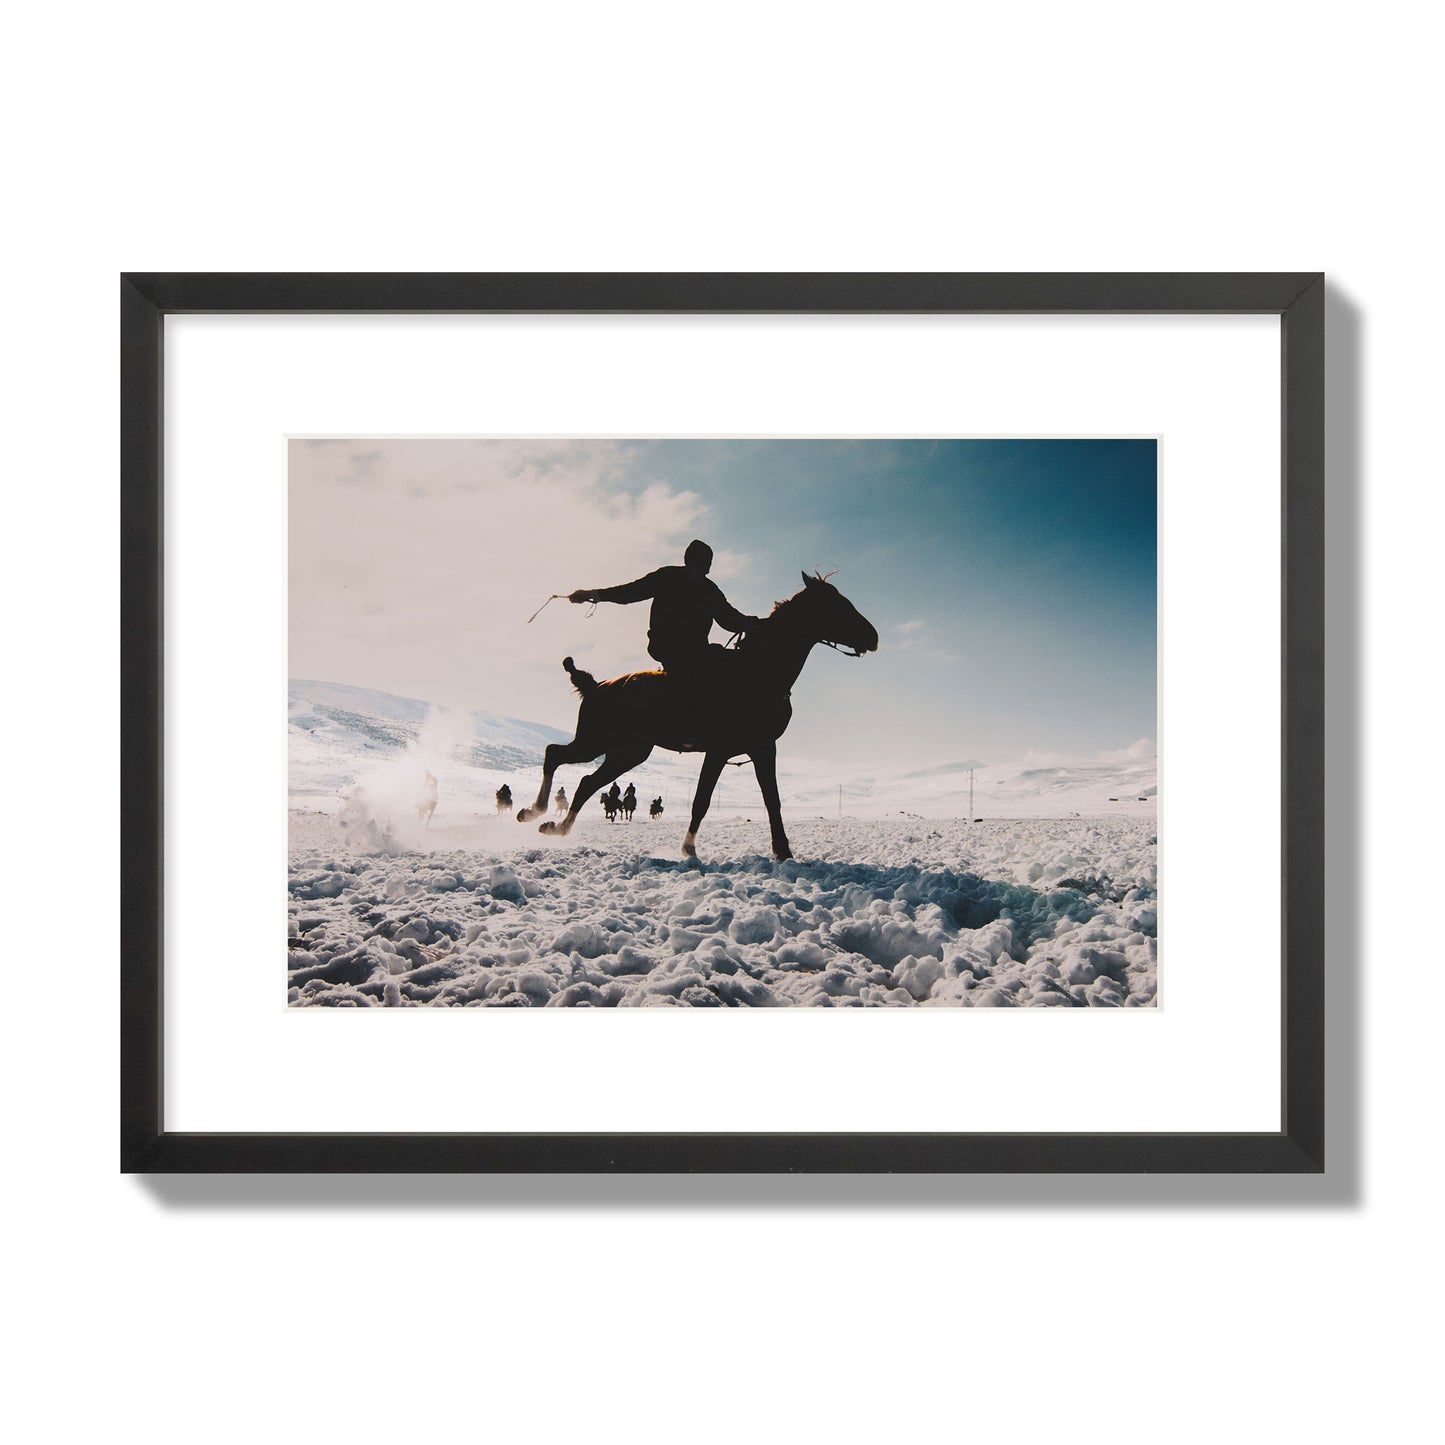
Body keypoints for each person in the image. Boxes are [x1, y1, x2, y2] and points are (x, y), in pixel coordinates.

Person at [569, 540, 760, 692]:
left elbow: (728, 618)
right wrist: (593, 594)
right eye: (704, 561)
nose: (707, 566)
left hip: (697, 651)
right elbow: (630, 592)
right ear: (692, 560)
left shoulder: (710, 590)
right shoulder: (667, 577)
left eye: (708, 562)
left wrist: (754, 624)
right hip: (668, 647)